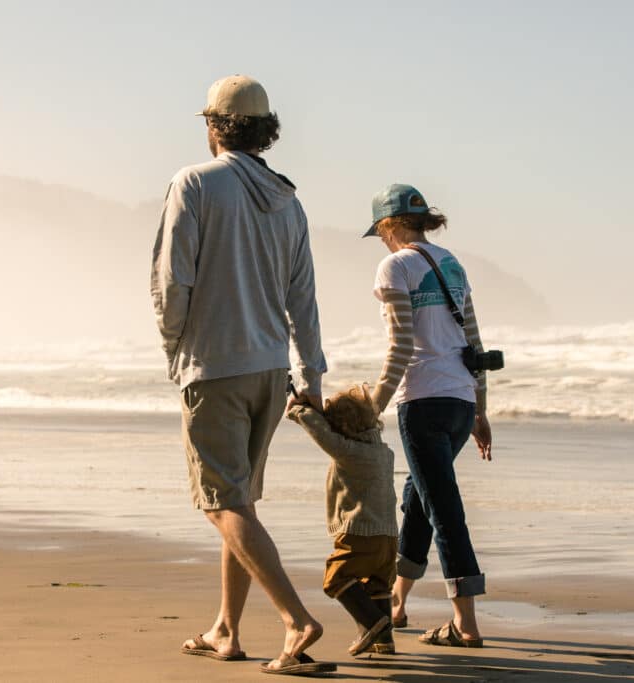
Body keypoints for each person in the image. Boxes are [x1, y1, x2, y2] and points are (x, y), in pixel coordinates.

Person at [151, 75, 333, 676]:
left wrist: (175, 347)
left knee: (221, 500)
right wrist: (312, 374)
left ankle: (295, 620)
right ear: (265, 130)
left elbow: (172, 280)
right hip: (271, 369)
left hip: (216, 365)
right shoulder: (289, 201)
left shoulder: (195, 183)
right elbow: (303, 299)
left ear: (214, 126)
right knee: (242, 501)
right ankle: (226, 628)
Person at [363, 183, 493, 648]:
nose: (381, 240)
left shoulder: (394, 266)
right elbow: (474, 341)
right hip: (459, 401)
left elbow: (400, 345)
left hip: (421, 401)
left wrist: (374, 405)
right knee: (419, 496)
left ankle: (465, 625)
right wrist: (480, 409)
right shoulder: (451, 263)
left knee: (443, 509)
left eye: (380, 231)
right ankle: (397, 601)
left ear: (390, 225)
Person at [286, 383, 398, 656]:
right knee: (378, 585)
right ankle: (384, 641)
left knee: (336, 579)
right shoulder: (385, 453)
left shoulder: (348, 452)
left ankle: (373, 624)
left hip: (360, 533)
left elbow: (323, 436)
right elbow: (332, 433)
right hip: (390, 538)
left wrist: (300, 411)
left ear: (341, 428)